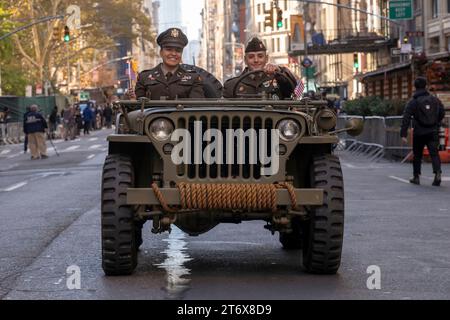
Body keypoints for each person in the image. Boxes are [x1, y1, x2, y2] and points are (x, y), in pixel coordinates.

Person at [130, 28, 204, 100]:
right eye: (169, 49)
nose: (173, 54)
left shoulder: (193, 78)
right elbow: (137, 108)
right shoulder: (144, 77)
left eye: (178, 50)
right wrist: (130, 99)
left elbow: (196, 108)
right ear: (161, 52)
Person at [400, 76, 445, 186]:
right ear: (426, 86)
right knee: (434, 153)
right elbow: (442, 112)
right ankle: (437, 173)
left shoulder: (413, 101)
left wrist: (403, 133)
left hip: (419, 131)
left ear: (415, 87)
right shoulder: (435, 100)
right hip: (433, 130)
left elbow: (406, 117)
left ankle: (416, 177)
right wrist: (436, 122)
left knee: (417, 154)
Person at [223, 37, 297, 99]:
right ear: (245, 60)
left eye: (260, 56)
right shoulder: (233, 85)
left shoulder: (279, 80)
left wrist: (280, 71)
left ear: (266, 59)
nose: (256, 60)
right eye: (251, 57)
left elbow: (296, 90)